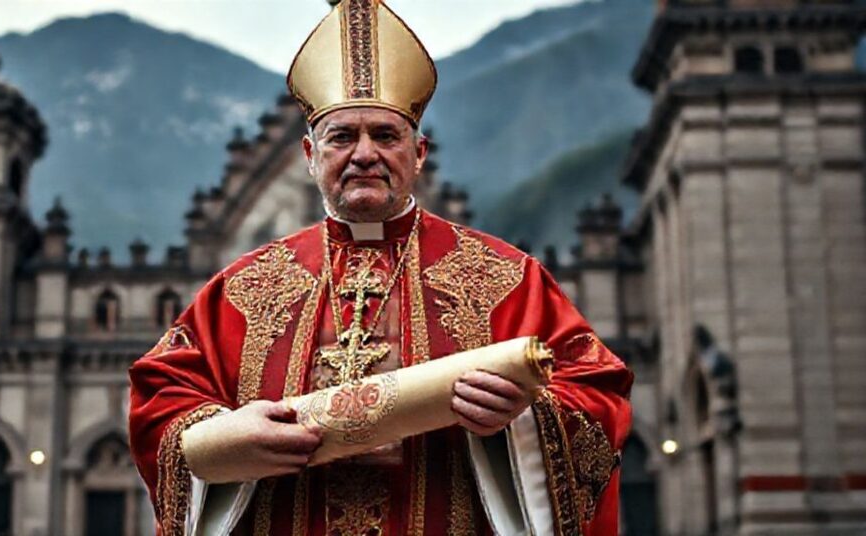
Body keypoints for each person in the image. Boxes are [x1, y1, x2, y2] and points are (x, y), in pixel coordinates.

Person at [129, 1, 632, 534]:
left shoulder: (507, 278)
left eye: (386, 136)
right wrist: (224, 434)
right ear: (309, 154)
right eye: (342, 136)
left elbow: (597, 390)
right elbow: (160, 398)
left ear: (419, 153)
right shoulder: (243, 289)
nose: (364, 153)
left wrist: (525, 417)